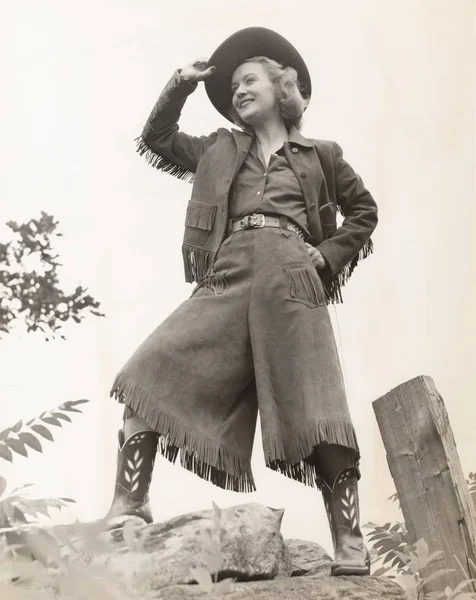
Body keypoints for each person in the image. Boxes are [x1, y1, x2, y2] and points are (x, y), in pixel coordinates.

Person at [105, 27, 378, 577]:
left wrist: (325, 257)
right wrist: (179, 86)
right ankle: (130, 501)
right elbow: (158, 138)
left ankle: (349, 540)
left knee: (318, 406)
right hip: (228, 270)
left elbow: (364, 212)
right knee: (150, 370)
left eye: (247, 81)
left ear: (283, 87)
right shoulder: (218, 148)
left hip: (293, 277)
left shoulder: (322, 155)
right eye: (231, 87)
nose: (237, 92)